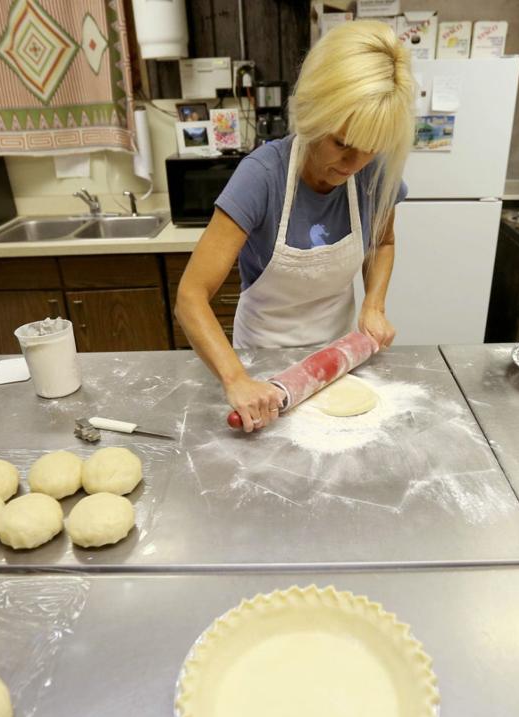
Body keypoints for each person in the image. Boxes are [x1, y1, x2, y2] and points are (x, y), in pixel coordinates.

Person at [174, 21, 415, 432]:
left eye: (369, 148)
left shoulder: (374, 173)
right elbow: (191, 296)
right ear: (312, 115)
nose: (353, 164)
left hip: (337, 357)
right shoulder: (262, 176)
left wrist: (374, 304)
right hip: (260, 362)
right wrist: (236, 379)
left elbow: (383, 242)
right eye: (341, 143)